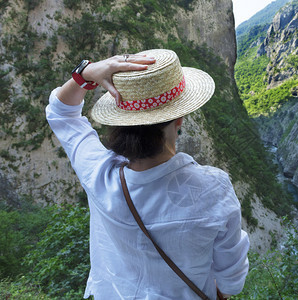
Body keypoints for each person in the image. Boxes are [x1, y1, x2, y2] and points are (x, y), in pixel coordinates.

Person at [46, 49, 250, 299]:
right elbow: (231, 281)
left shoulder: (98, 174)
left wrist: (86, 72)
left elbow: (61, 113)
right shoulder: (212, 189)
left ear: (119, 120)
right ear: (179, 118)